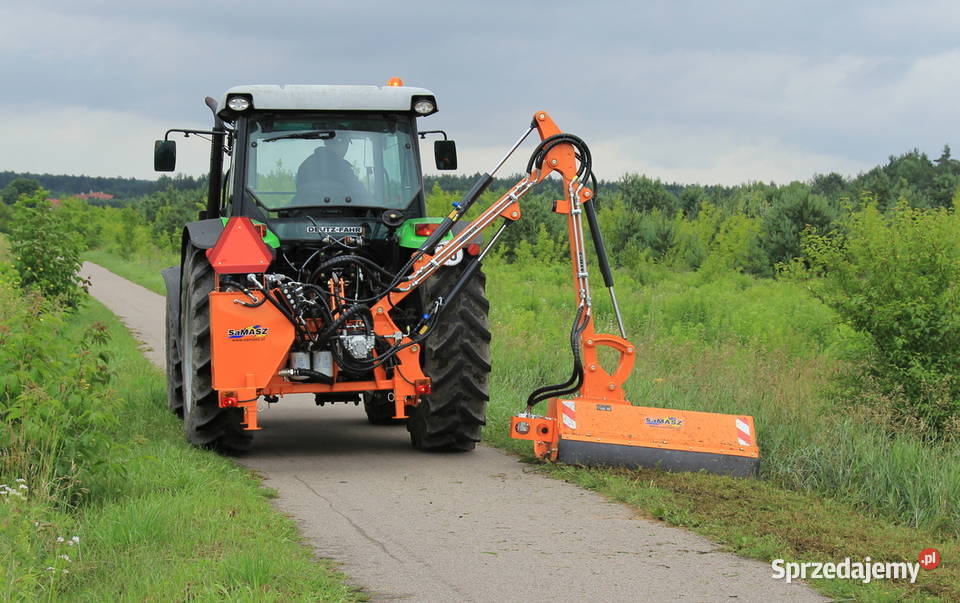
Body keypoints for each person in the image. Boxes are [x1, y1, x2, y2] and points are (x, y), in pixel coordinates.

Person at [295, 132, 366, 202]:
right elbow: (361, 194)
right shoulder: (343, 168)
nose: (346, 148)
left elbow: (301, 194)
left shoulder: (305, 166)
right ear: (340, 142)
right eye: (346, 143)